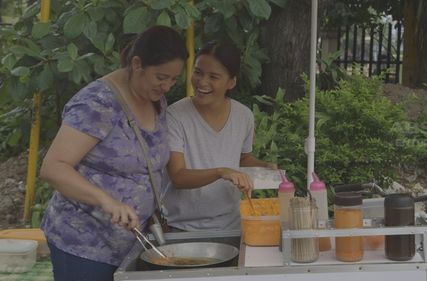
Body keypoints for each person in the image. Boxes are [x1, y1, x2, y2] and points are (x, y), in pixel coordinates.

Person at [39, 25, 187, 281]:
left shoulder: (154, 98)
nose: (167, 86)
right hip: (84, 245)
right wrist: (106, 201)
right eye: (161, 77)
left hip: (132, 242)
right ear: (137, 64)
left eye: (174, 79)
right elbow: (53, 167)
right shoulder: (96, 103)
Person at [162, 40, 276, 231]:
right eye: (198, 72)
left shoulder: (244, 115)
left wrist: (265, 167)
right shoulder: (175, 115)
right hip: (182, 228)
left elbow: (242, 158)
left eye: (213, 77)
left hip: (232, 226)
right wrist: (221, 172)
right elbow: (178, 177)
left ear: (231, 82)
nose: (202, 82)